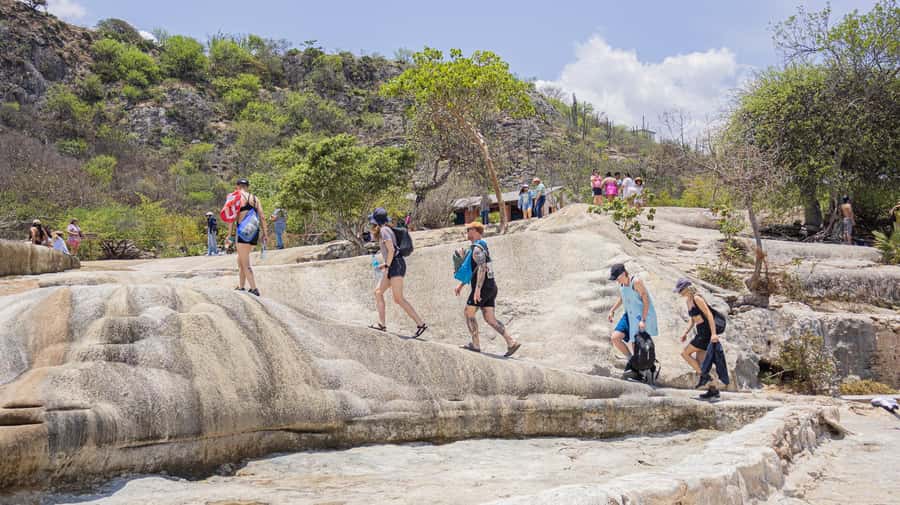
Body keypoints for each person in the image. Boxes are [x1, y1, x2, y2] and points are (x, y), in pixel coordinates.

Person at [455, 221, 521, 356]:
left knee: (469, 313)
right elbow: (472, 270)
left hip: (483, 288)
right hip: (491, 287)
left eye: (468, 230)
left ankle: (475, 344)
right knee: (490, 318)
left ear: (474, 230)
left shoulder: (477, 249)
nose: (467, 232)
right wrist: (461, 285)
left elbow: (482, 267)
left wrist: (478, 289)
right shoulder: (481, 247)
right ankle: (511, 342)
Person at [368, 207, 428, 337]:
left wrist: (387, 265)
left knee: (398, 298)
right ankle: (381, 324)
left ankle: (420, 324)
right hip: (393, 265)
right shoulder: (386, 230)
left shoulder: (384, 230)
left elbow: (391, 250)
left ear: (376, 221)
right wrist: (386, 265)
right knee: (378, 292)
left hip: (395, 265)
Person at [225, 178, 268, 296]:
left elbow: (231, 218)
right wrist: (265, 233)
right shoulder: (255, 198)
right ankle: (241, 286)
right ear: (247, 186)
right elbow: (262, 216)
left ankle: (254, 289)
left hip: (243, 233)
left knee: (245, 263)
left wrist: (229, 235)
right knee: (240, 260)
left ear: (238, 186)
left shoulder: (236, 197)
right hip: (254, 233)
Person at [607, 263, 659, 360]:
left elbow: (646, 300)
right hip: (629, 315)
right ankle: (631, 360)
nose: (616, 281)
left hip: (640, 316)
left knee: (637, 344)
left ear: (623, 274)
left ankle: (641, 366)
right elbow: (622, 297)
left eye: (617, 278)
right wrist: (612, 310)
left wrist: (643, 320)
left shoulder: (636, 282)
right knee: (615, 338)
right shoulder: (622, 284)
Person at [673, 278, 718, 379]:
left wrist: (714, 334)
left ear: (686, 288)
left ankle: (705, 377)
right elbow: (693, 320)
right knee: (701, 363)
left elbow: (709, 314)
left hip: (705, 331)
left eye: (680, 290)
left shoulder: (697, 298)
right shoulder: (688, 301)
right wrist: (686, 332)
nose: (679, 293)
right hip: (700, 330)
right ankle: (712, 386)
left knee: (685, 353)